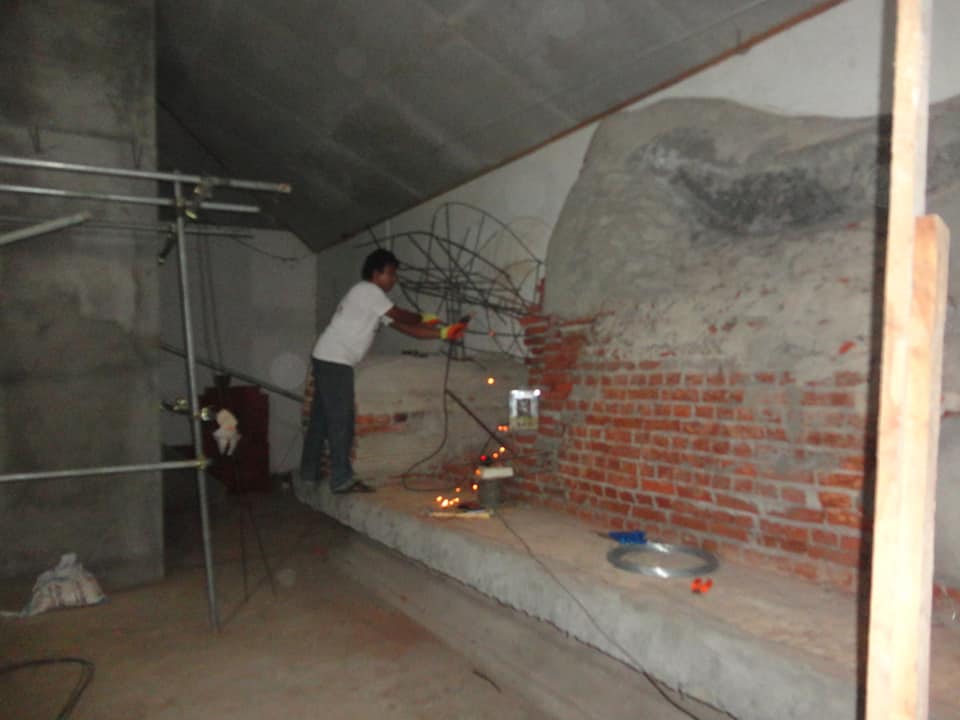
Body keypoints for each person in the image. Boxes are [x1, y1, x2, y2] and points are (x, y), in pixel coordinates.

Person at [300, 249, 467, 494]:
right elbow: (401, 315)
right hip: (335, 361)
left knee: (322, 419)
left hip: (328, 358)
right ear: (376, 274)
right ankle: (341, 479)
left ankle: (309, 472)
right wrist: (422, 317)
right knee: (341, 420)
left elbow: (406, 328)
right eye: (391, 274)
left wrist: (443, 333)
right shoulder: (368, 291)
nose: (394, 279)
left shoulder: (373, 300)